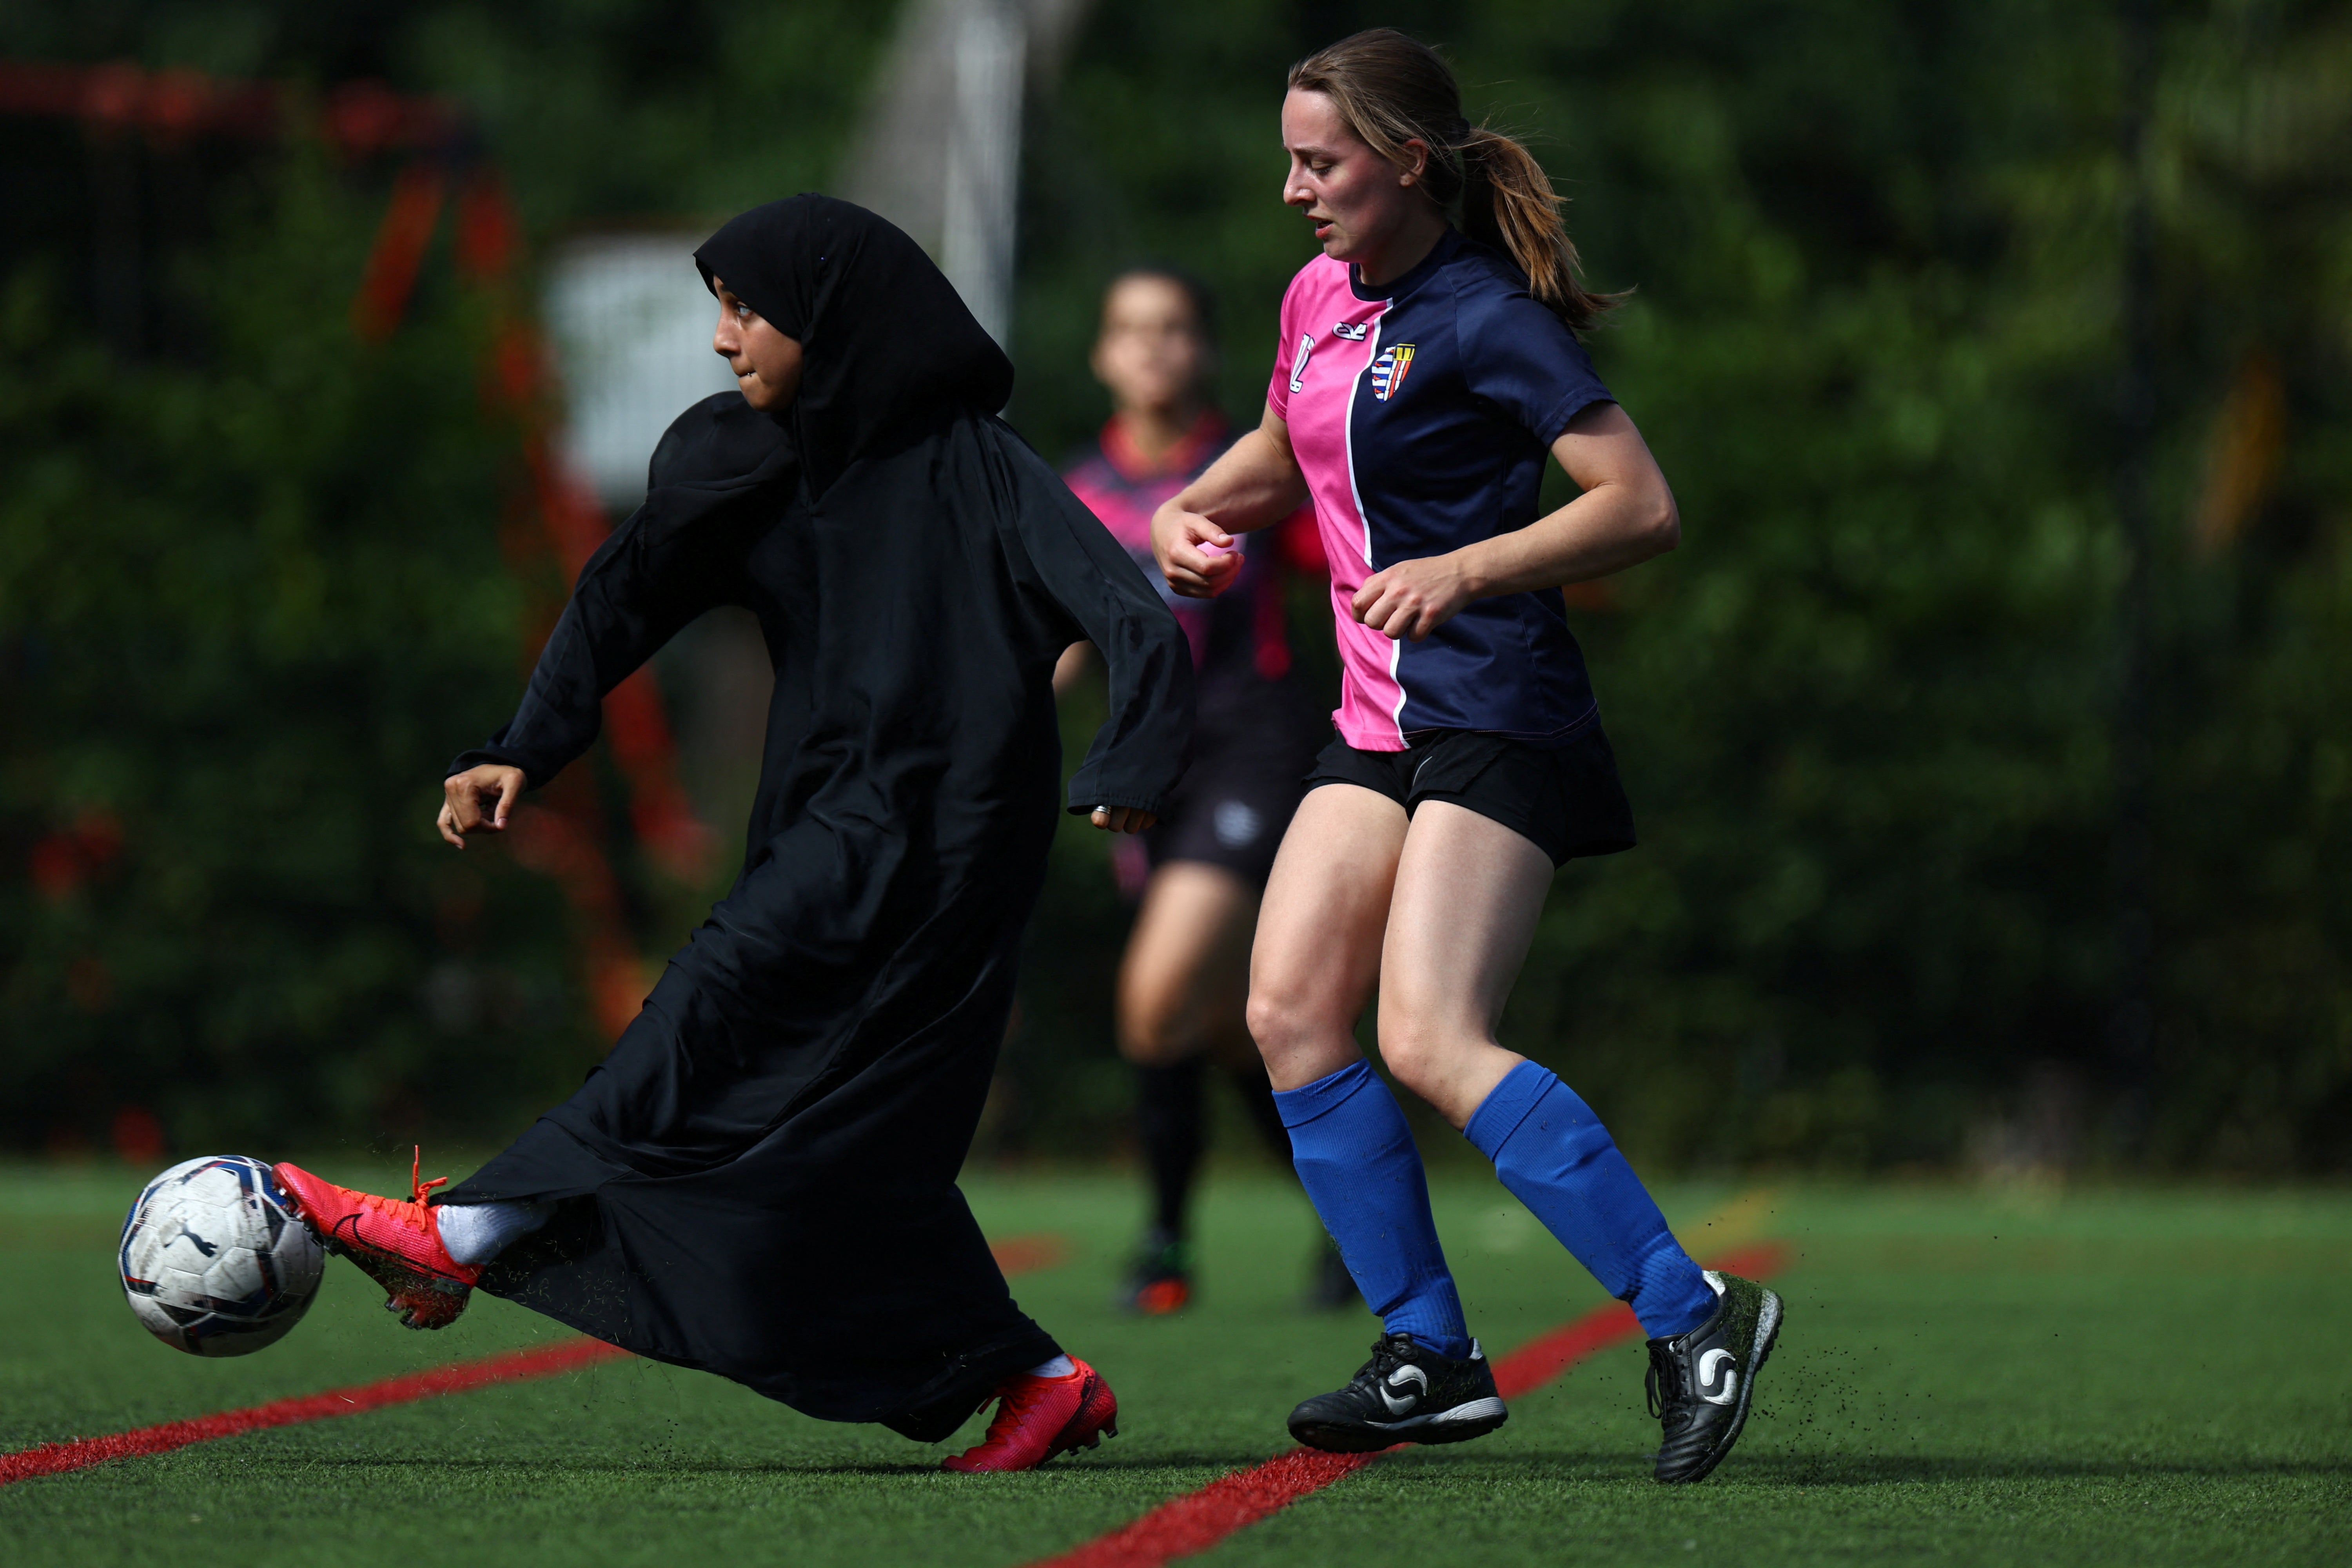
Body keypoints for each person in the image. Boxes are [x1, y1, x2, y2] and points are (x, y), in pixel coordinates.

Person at [272, 195, 1193, 1475]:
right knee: (833, 1149)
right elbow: (620, 595)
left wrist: (1132, 759)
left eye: (746, 310)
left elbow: (1130, 612)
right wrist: (520, 746)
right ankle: (1038, 1377)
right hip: (825, 820)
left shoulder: (979, 465)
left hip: (950, 845)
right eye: (720, 308)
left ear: (829, 316)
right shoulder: (745, 456)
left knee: (716, 1004)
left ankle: (461, 1237)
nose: (722, 341)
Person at [1151, 30, 1782, 1483]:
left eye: (1323, 161)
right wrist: (1198, 509)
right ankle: (1428, 1354)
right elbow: (1280, 441)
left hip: (1497, 712)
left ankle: (1697, 1319)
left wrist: (1471, 568)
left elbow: (1640, 504)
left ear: (1405, 162)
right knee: (1290, 1013)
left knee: (1427, 1037)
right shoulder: (1319, 297)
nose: (1297, 188)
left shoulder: (1487, 317)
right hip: (1377, 725)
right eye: (1293, 159)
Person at [1054, 267, 1351, 1314]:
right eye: (1130, 328)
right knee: (1226, 1028)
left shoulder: (1255, 476)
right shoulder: (1077, 491)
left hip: (1251, 751)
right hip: (1147, 772)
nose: (1151, 347)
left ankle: (1165, 1243)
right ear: (1101, 354)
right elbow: (1060, 647)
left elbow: (1356, 564)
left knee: (1154, 997)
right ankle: (1353, 1224)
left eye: (1174, 327)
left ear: (1205, 350)